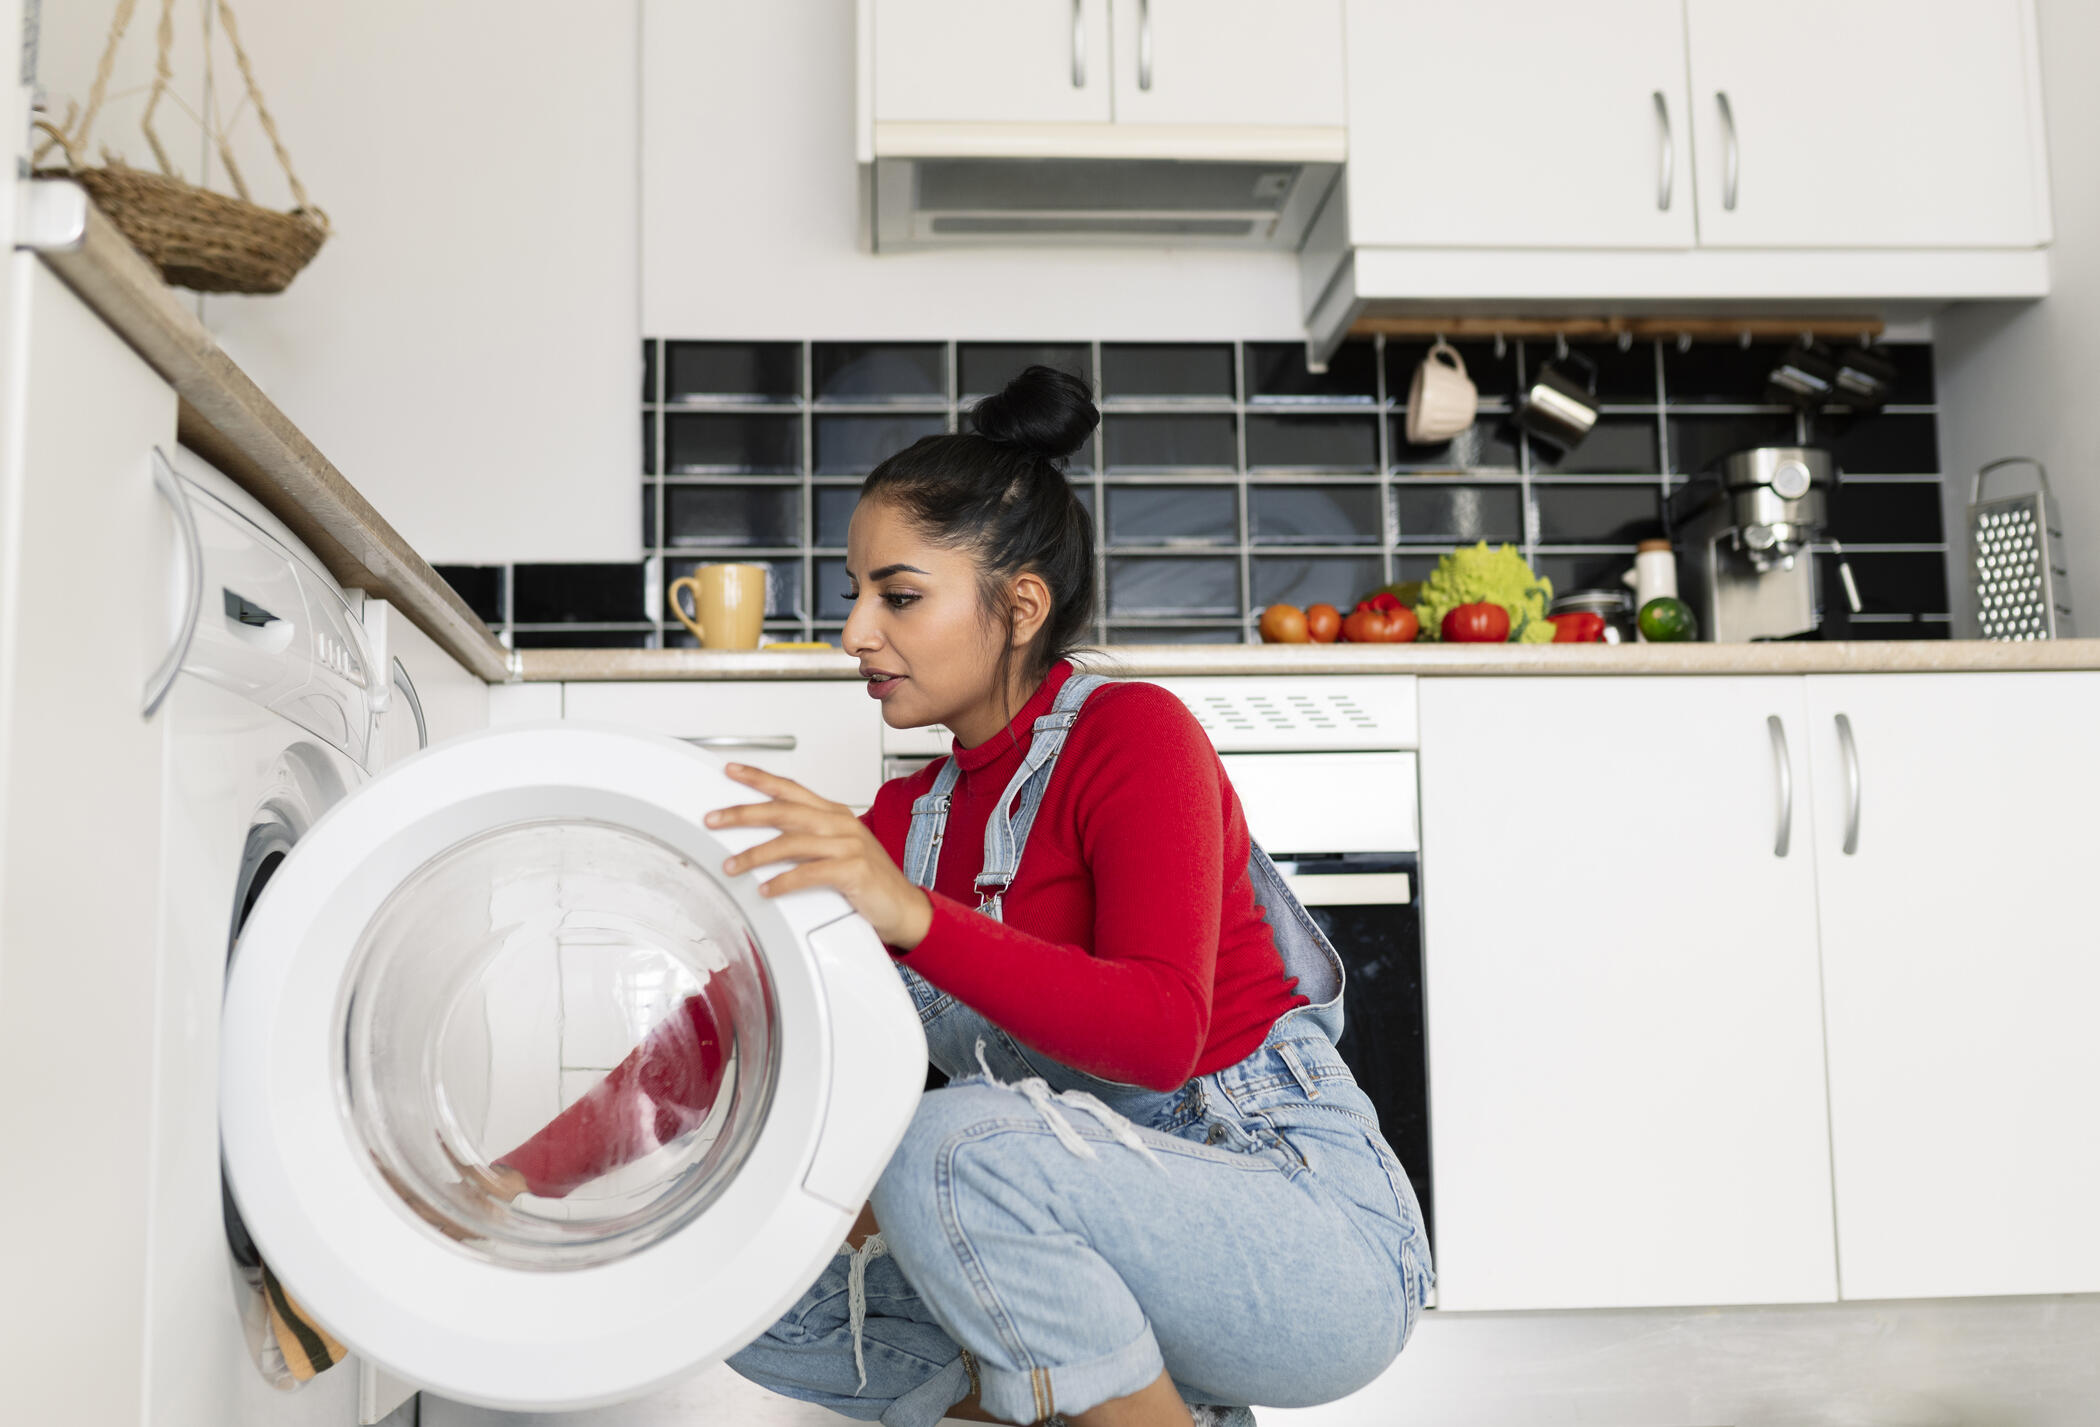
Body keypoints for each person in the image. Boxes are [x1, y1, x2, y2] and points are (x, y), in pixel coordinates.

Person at [495, 367, 1433, 1427]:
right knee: (733, 1268)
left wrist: (911, 918)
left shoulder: (1133, 733)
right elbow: (721, 1032)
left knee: (946, 1147)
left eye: (897, 595)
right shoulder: (907, 825)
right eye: (855, 592)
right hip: (1101, 1238)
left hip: (1310, 1236)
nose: (854, 630)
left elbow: (1163, 1032)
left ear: (1019, 604)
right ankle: (1149, 1403)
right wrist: (508, 1190)